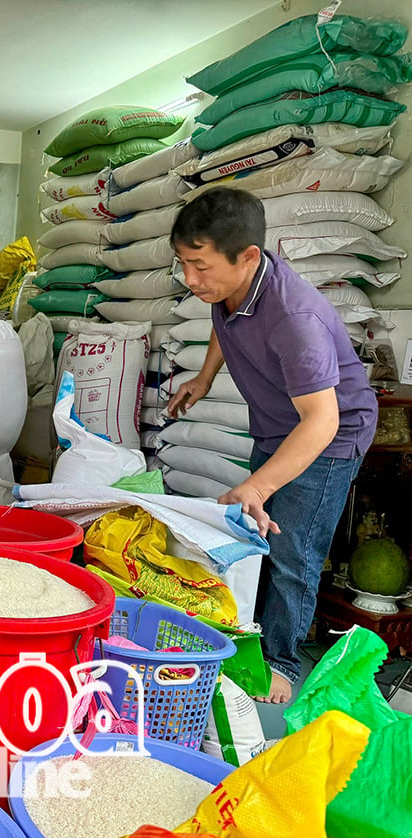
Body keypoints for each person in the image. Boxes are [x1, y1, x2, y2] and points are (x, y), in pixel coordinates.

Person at [167, 188, 377, 705]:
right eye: (183, 265)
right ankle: (251, 638)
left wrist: (259, 484)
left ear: (249, 257)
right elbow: (226, 321)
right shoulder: (231, 287)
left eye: (200, 266)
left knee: (292, 551)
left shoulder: (294, 318)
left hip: (329, 435)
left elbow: (322, 420)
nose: (191, 280)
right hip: (280, 427)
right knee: (258, 533)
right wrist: (204, 375)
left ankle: (281, 663)